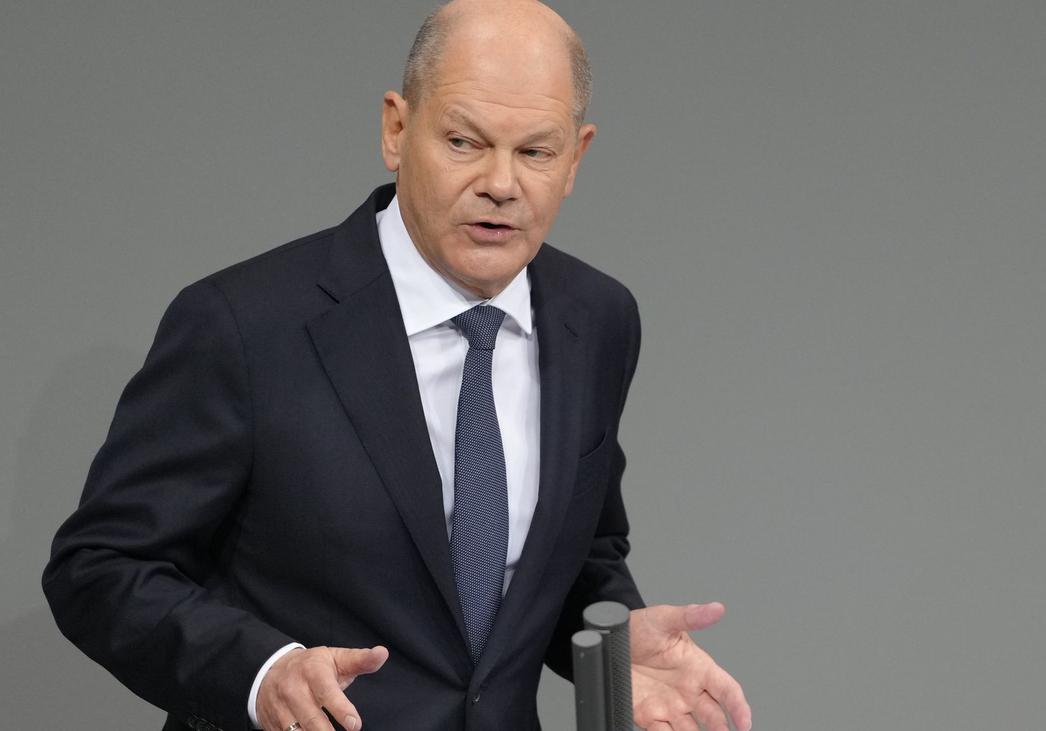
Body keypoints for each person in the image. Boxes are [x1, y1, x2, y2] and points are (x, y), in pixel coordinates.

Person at [42, 2, 752, 730]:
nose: (501, 183)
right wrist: (261, 673)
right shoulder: (244, 325)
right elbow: (99, 567)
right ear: (396, 129)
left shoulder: (597, 320)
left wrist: (612, 640)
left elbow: (576, 551)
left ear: (576, 157)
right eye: (465, 141)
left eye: (536, 152)